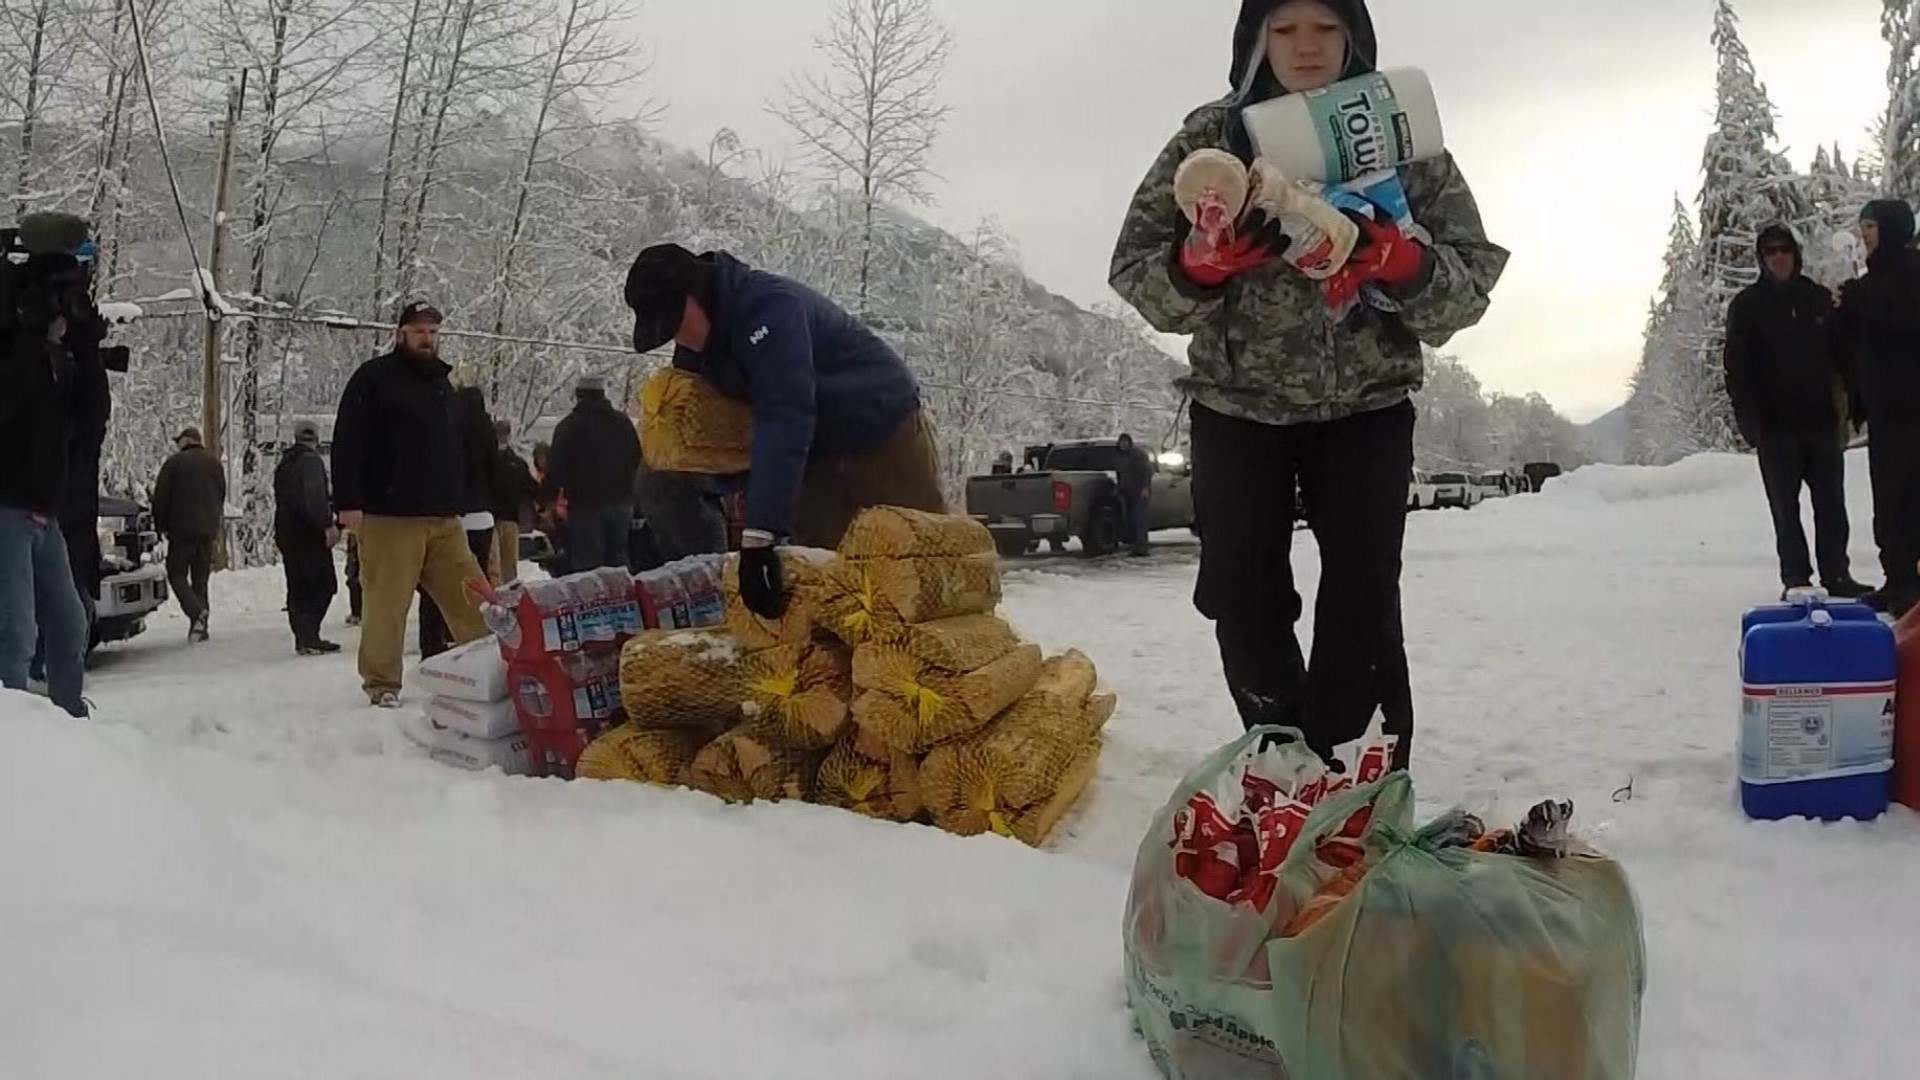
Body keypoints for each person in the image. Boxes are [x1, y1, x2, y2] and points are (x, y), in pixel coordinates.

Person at [1107, 0, 1507, 771]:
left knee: (1362, 599)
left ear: (1353, 36)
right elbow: (1135, 269)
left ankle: (1357, 772)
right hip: (1238, 407)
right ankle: (1282, 759)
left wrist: (1403, 262)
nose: (1307, 47)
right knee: (1241, 596)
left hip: (1369, 407)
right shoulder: (1211, 140)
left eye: (1325, 28)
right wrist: (1200, 267)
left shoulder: (1401, 141)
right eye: (1285, 30)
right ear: (1256, 41)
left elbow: (1468, 289)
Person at [623, 242, 946, 618]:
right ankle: (858, 672)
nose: (678, 339)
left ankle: (956, 665)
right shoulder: (699, 352)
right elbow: (724, 436)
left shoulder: (769, 309)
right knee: (832, 587)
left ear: (696, 293)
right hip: (816, 454)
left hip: (883, 431)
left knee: (927, 564)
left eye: (676, 323)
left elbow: (784, 415)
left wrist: (759, 538)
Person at [330, 300, 490, 707]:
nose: (427, 338)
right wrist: (348, 502)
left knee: (473, 597)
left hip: (444, 516)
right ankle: (382, 683)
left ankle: (496, 667)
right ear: (401, 333)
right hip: (391, 514)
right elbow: (349, 442)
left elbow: (456, 446)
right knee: (387, 603)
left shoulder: (442, 384)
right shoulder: (374, 378)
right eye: (419, 330)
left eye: (433, 331)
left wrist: (466, 497)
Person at [1723, 223, 1869, 602]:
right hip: (1775, 428)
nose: (1778, 257)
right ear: (1762, 258)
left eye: (1784, 250)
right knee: (1785, 510)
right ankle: (1797, 579)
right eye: (1770, 252)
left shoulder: (1818, 299)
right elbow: (1736, 369)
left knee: (1832, 506)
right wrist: (1750, 422)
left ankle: (1837, 574)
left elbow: (1844, 358)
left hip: (1820, 422)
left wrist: (1855, 404)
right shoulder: (1747, 306)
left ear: (1795, 254)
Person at [1837, 199, 1920, 617]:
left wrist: (1860, 302)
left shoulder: (1911, 271)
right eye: (1862, 226)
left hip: (1912, 408)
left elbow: (1904, 320)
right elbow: (1862, 346)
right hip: (1883, 410)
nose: (1864, 234)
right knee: (1887, 499)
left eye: (1871, 226)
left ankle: (1912, 582)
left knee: (1909, 495)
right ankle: (1897, 577)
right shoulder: (1872, 281)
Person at [418, 385, 501, 658]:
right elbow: (494, 471)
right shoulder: (485, 430)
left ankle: (431, 641)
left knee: (435, 583)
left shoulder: (445, 427)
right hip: (482, 515)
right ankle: (475, 636)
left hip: (449, 514)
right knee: (477, 582)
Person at [543, 375, 640, 572]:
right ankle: (622, 598)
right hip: (622, 502)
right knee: (618, 558)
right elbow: (637, 458)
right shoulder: (623, 423)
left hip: (585, 505)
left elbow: (556, 470)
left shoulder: (568, 426)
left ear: (578, 396)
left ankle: (593, 601)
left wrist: (547, 499)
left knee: (588, 565)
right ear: (603, 395)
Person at [152, 426, 227, 642]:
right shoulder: (214, 464)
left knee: (176, 573)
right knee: (200, 578)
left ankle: (196, 613)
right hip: (207, 530)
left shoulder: (173, 464)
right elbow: (221, 494)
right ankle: (200, 627)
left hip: (182, 529)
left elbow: (161, 499)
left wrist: (160, 526)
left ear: (185, 441)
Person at [273, 420, 341, 655]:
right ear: (316, 439)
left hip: (286, 531)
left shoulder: (285, 463)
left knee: (298, 587)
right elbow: (314, 498)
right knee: (324, 585)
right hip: (308, 533)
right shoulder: (311, 462)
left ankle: (303, 637)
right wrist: (327, 525)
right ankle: (310, 635)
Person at [491, 417, 539, 582]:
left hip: (497, 519)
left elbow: (531, 488)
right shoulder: (516, 463)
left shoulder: (489, 461)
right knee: (505, 568)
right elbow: (532, 489)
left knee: (498, 569)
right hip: (506, 518)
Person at [1115, 433, 1155, 557]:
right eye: (1121, 442)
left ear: (1130, 443)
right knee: (1130, 519)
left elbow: (1147, 471)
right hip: (1126, 491)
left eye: (1125, 442)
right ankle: (1134, 545)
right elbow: (1120, 473)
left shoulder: (1138, 455)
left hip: (1139, 491)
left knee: (1140, 519)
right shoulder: (1119, 456)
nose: (1123, 444)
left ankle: (1142, 546)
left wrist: (1145, 488)